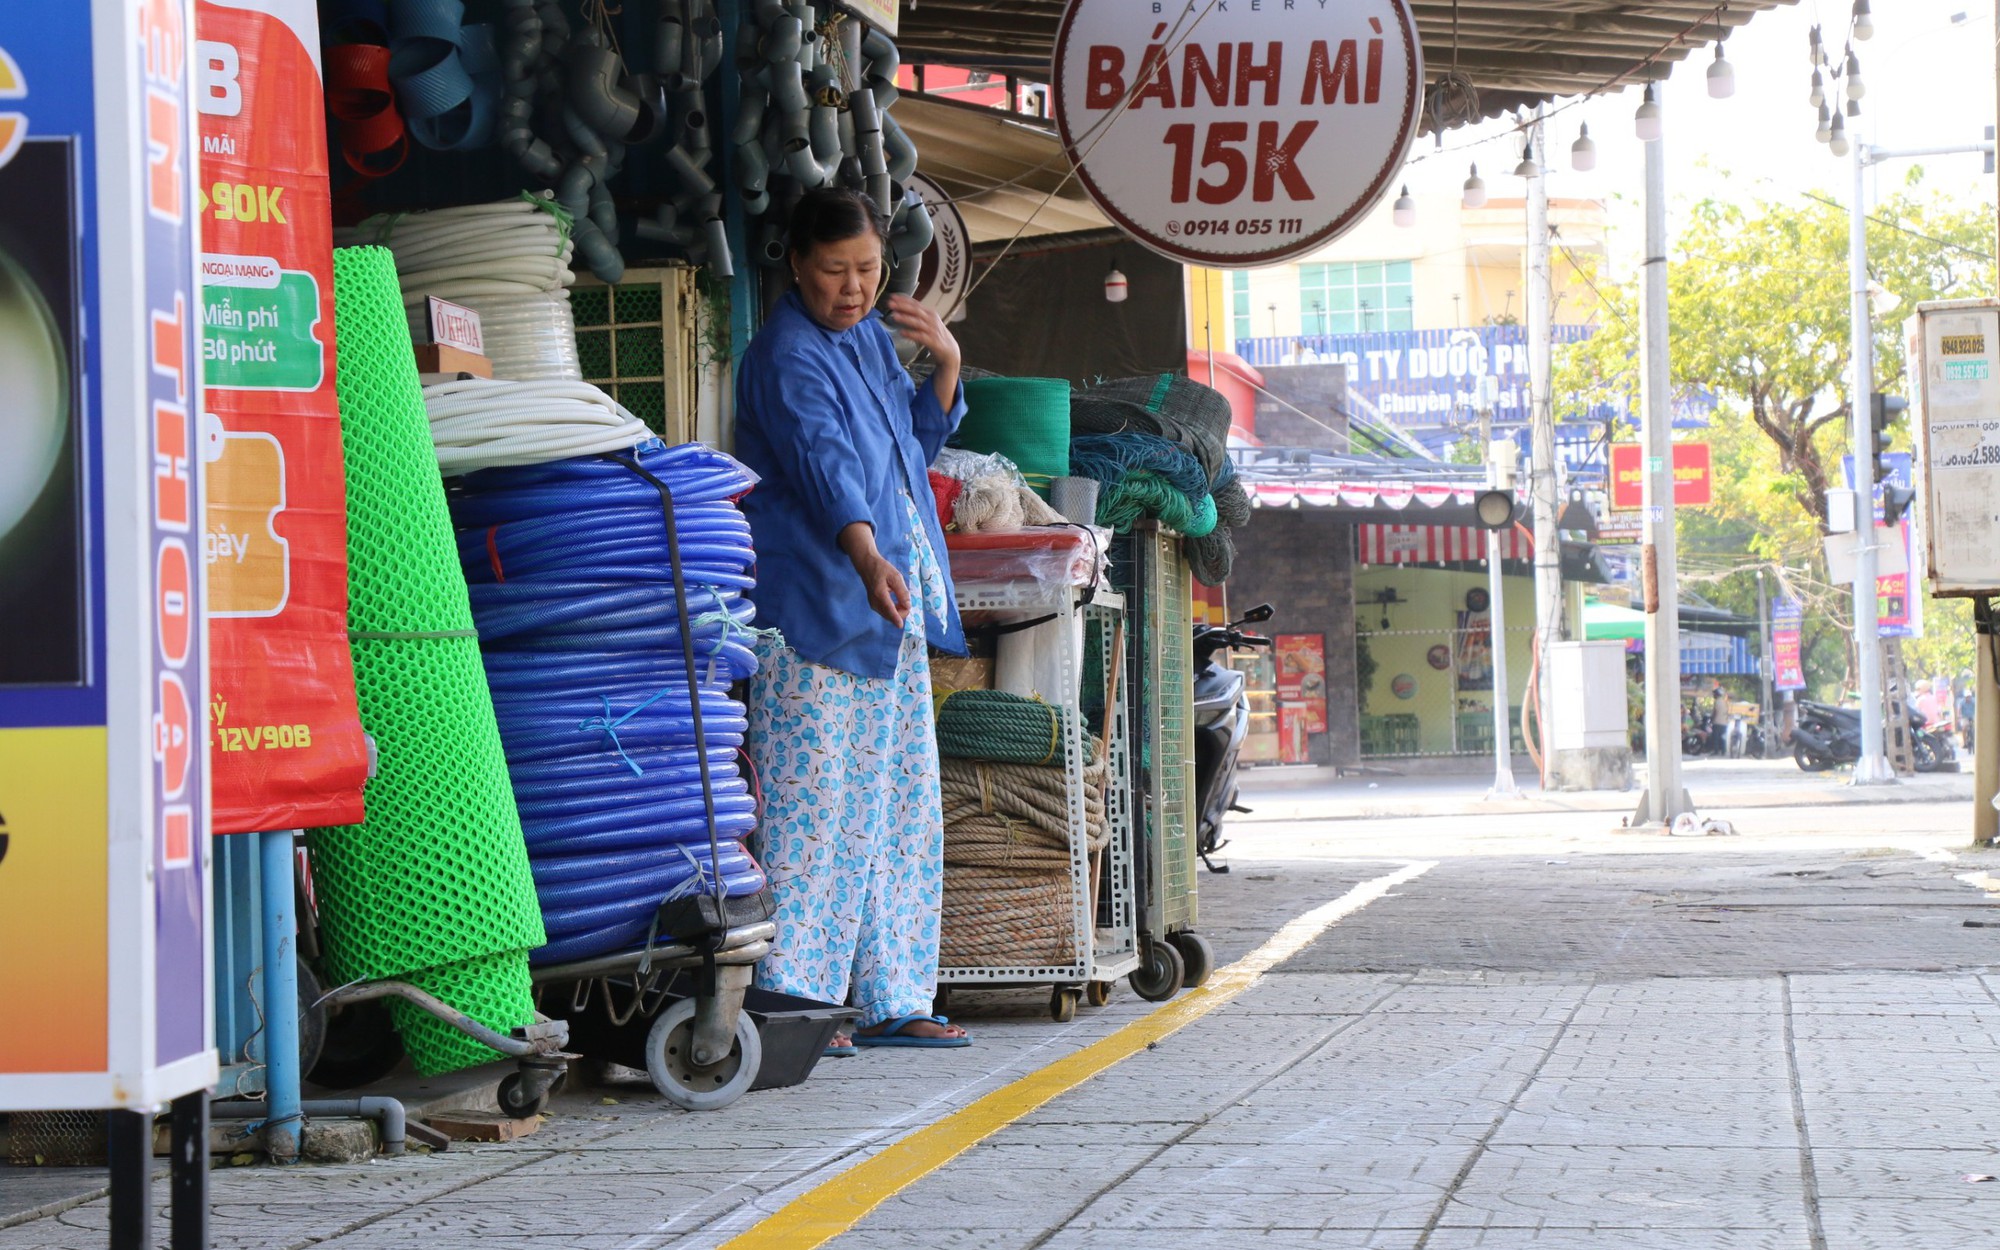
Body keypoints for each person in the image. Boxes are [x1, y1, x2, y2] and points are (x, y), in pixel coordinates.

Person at [734, 187, 972, 1053]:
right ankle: (798, 1001)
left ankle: (895, 995)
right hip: (820, 613)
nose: (854, 289)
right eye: (834, 271)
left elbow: (909, 449)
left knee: (902, 808)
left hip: (894, 611)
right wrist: (868, 557)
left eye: (867, 269)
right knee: (813, 811)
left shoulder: (873, 342)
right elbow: (824, 465)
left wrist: (944, 366)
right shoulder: (784, 355)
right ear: (797, 265)